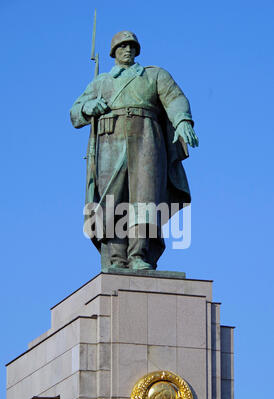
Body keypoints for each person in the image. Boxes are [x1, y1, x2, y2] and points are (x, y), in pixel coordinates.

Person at [70, 31, 199, 271]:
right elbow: (75, 113)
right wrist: (89, 106)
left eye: (131, 46)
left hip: (147, 138)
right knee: (112, 199)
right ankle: (117, 258)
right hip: (111, 139)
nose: (127, 50)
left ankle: (139, 254)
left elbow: (175, 98)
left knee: (145, 198)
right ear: (113, 52)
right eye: (122, 47)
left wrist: (182, 120)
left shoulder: (154, 75)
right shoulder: (102, 82)